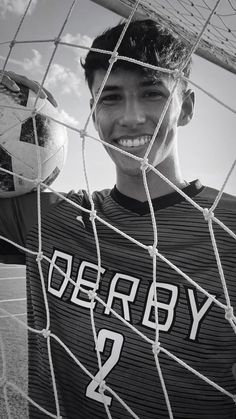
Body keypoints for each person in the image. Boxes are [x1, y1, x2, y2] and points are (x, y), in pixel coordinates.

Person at [0, 19, 236, 419]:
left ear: (188, 107)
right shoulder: (51, 218)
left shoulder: (228, 232)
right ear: (92, 112)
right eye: (110, 98)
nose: (131, 117)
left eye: (152, 93)